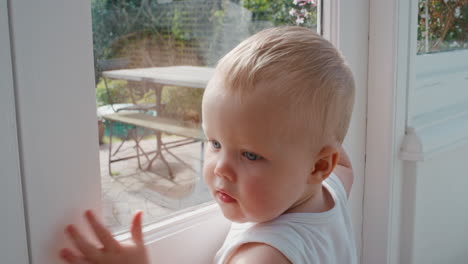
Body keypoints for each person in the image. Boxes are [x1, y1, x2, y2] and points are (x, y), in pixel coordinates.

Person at [59, 26, 357, 264]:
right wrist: (313, 137)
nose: (221, 168)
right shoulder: (332, 191)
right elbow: (344, 166)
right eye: (215, 142)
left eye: (250, 154)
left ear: (318, 167)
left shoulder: (263, 256)